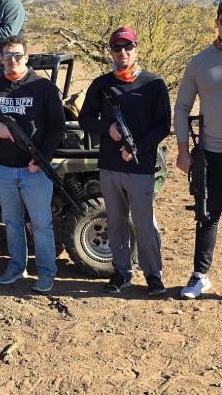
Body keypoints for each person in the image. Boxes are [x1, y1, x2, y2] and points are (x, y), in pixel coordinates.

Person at [79, 27, 171, 296]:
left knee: (144, 224)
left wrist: (137, 148)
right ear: (111, 51)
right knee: (116, 222)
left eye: (128, 47)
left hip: (141, 167)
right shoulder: (101, 84)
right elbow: (85, 119)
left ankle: (153, 275)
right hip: (109, 166)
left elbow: (163, 125)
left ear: (136, 48)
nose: (123, 53)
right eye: (117, 48)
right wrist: (107, 129)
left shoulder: (154, 84)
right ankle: (121, 272)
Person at [0, 36, 65, 292]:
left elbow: (57, 126)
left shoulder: (43, 87)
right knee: (12, 222)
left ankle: (46, 272)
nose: (12, 60)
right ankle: (17, 266)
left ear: (26, 57)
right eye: (8, 56)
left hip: (34, 169)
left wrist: (42, 157)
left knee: (41, 224)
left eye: (17, 55)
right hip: (2, 168)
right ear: (1, 58)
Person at [174, 1, 222, 299]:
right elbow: (181, 107)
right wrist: (183, 150)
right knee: (207, 216)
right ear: (217, 21)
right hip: (211, 154)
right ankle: (199, 276)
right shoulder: (200, 62)